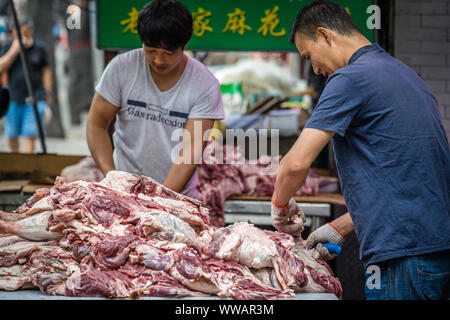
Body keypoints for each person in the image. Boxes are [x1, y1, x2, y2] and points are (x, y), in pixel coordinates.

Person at [270, 1, 450, 300]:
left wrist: (279, 210)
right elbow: (409, 178)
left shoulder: (350, 78)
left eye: (309, 56)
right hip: (433, 252)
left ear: (325, 35)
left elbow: (296, 163)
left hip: (401, 259)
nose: (315, 69)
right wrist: (339, 228)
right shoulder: (404, 74)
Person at [86, 0, 224, 199]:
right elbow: (96, 124)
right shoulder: (121, 68)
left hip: (177, 198)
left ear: (183, 45)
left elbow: (191, 150)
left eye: (168, 53)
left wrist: (160, 200)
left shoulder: (204, 84)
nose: (159, 60)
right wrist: (112, 180)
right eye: (151, 51)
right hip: (123, 193)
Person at [0, 19, 52, 153]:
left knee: (29, 135)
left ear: (31, 31)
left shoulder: (39, 49)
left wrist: (47, 92)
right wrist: (14, 51)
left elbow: (46, 71)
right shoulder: (8, 46)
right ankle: (16, 164)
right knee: (12, 135)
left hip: (35, 98)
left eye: (26, 31)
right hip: (13, 98)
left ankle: (27, 167)